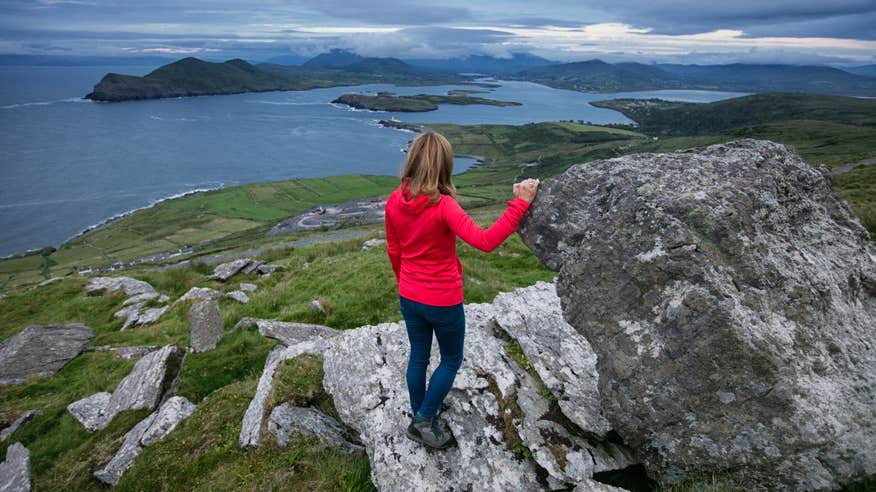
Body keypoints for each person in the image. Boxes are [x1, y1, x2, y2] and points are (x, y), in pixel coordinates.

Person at [383, 131, 539, 449]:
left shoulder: (394, 201)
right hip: (442, 299)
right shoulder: (444, 206)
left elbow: (394, 250)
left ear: (412, 160)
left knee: (419, 357)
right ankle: (424, 421)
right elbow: (485, 241)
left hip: (409, 295)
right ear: (445, 166)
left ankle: (420, 413)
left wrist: (406, 285)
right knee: (452, 358)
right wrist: (520, 204)